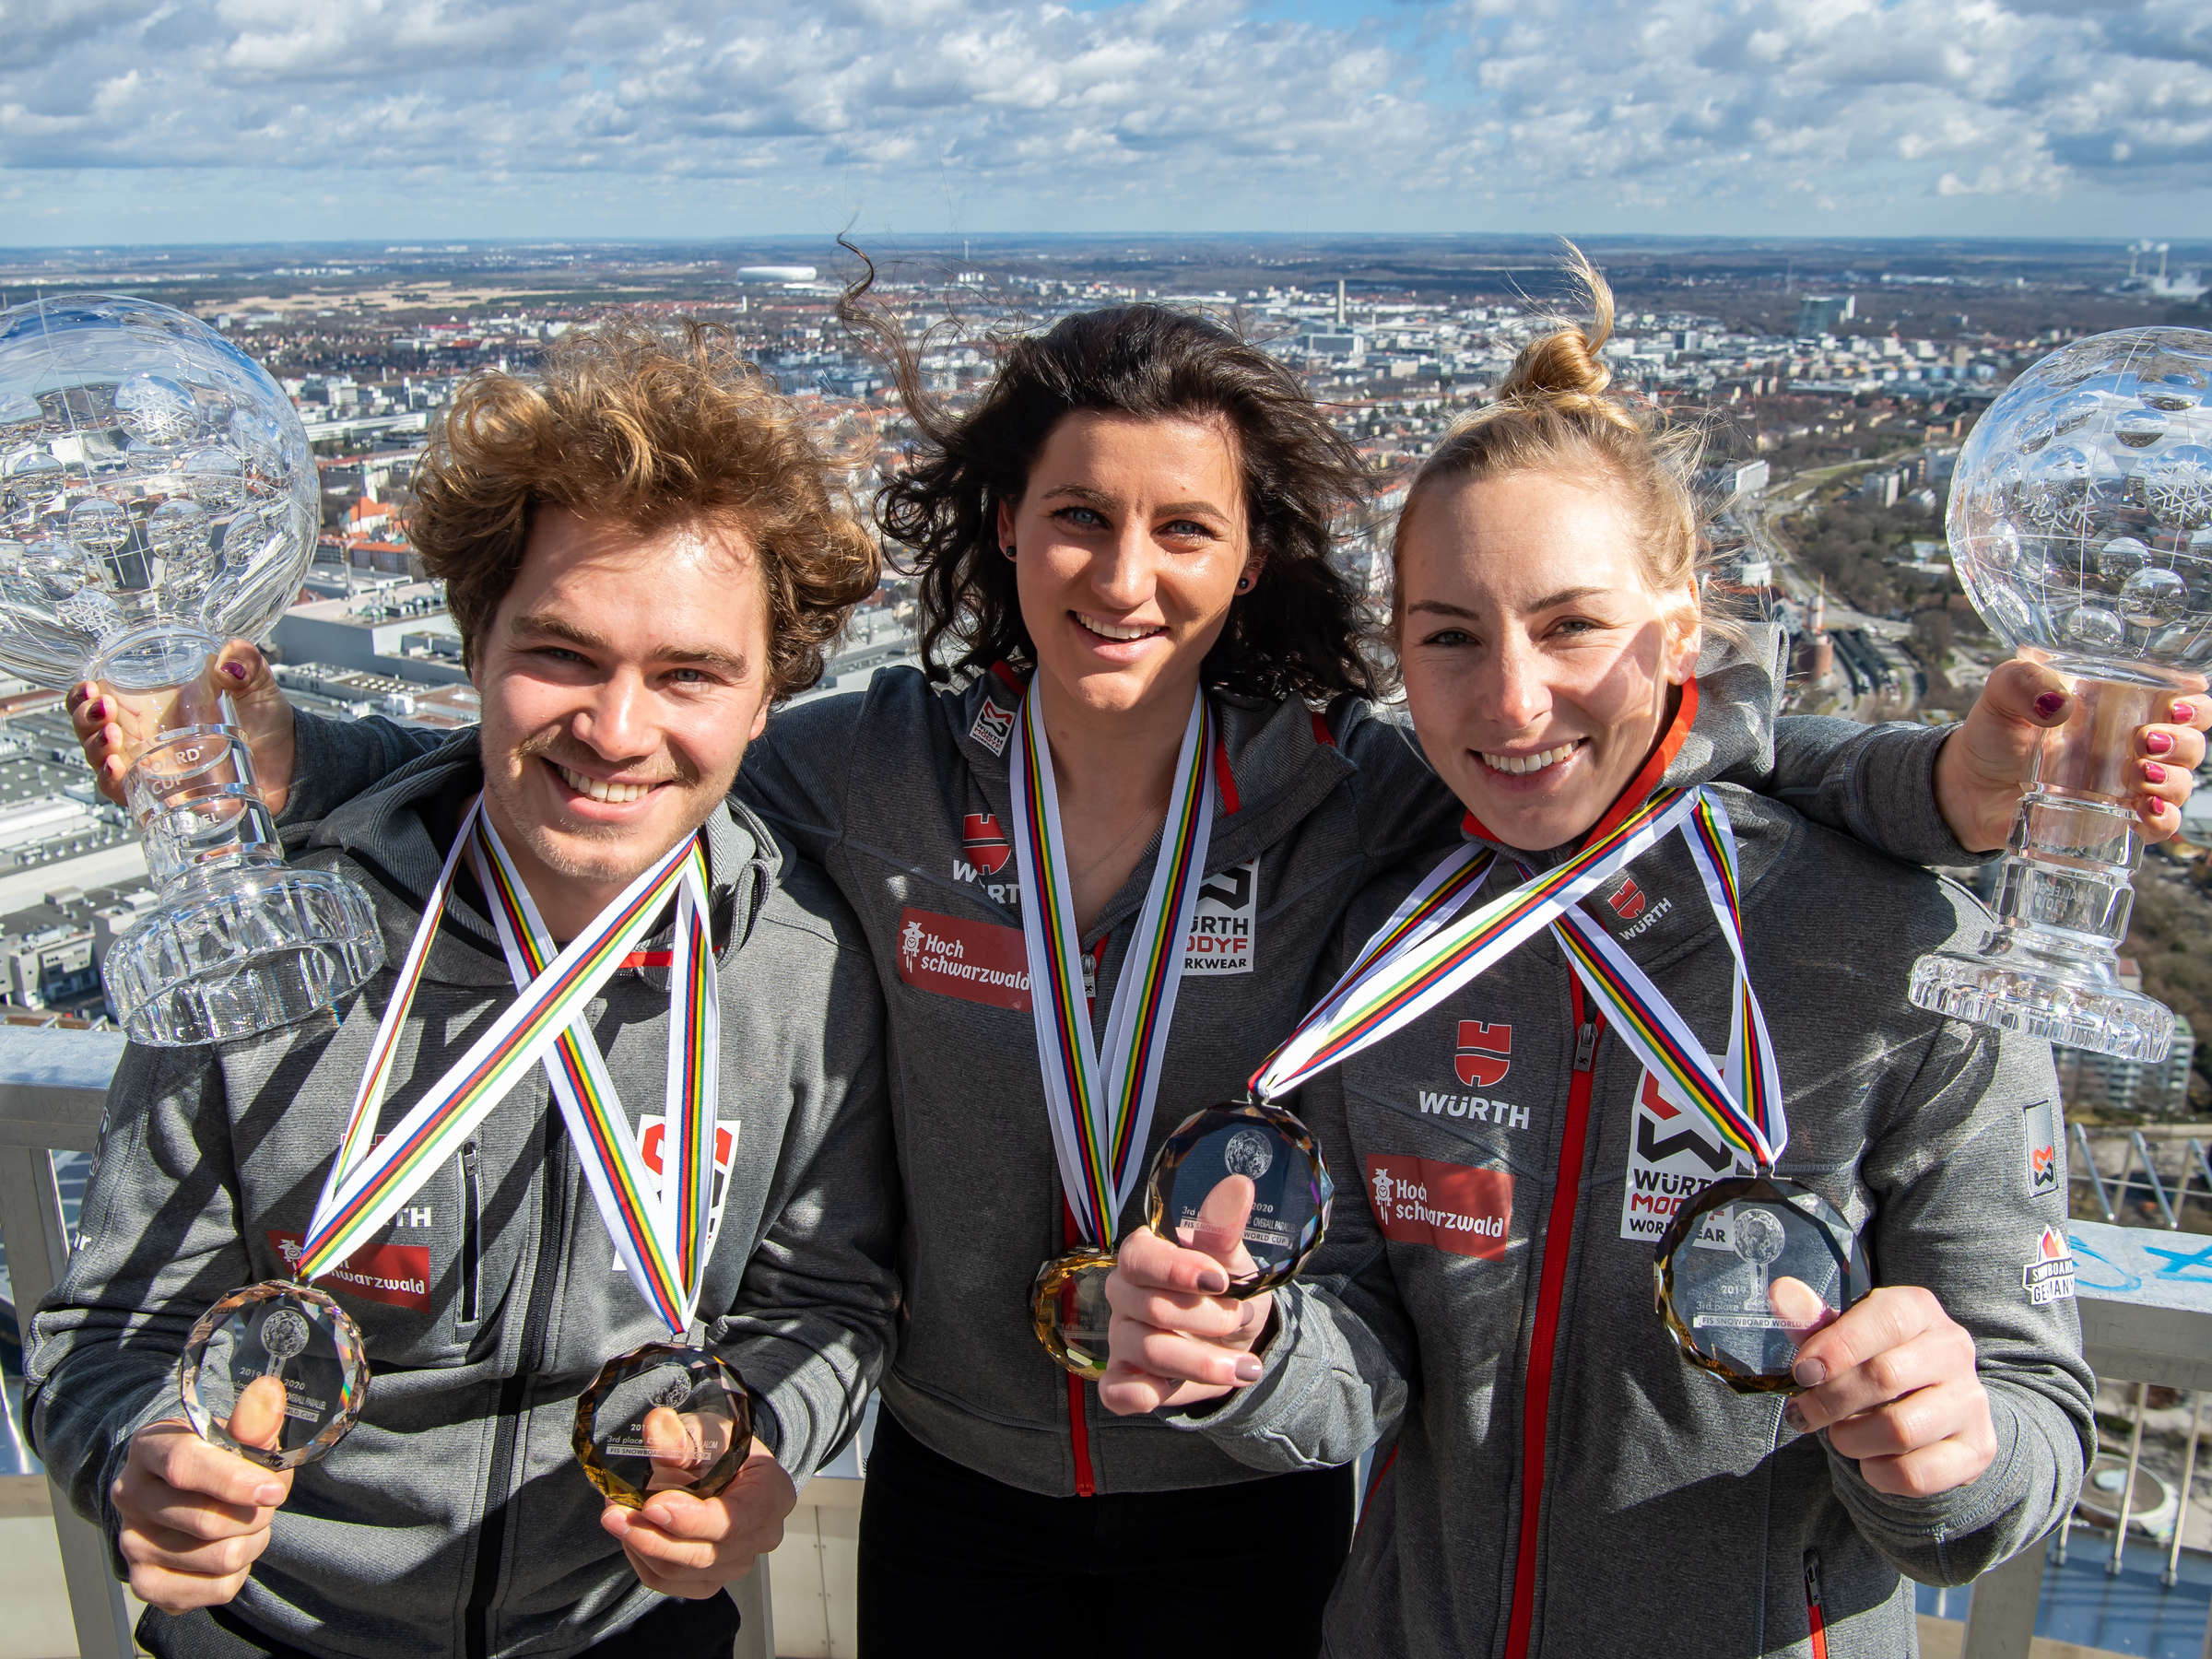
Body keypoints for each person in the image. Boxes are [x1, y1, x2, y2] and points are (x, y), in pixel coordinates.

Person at [71, 279, 2202, 1656]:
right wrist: (285, 743)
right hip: (961, 1478)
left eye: (1182, 528)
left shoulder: (1364, 803)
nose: (1123, 570)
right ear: (999, 527)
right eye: (1075, 516)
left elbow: (1642, 754)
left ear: (1250, 551)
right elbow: (609, 748)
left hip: (1250, 1504)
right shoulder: (866, 778)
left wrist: (1944, 784)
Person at [1099, 256, 2116, 1657]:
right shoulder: (1389, 933)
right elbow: (1367, 1352)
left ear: (1682, 627)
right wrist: (1252, 1353)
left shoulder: (1906, 949)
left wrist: (1954, 1449)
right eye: (1449, 637)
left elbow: (2035, 1430)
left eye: (1573, 624)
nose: (1514, 701)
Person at [29, 319, 900, 1659]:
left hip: (623, 1632)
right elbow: (108, 1329)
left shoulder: (800, 970)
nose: (616, 730)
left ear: (768, 695)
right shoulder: (280, 944)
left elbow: (823, 1303)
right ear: (474, 645)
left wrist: (760, 1435)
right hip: (276, 1635)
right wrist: (141, 1457)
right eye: (562, 653)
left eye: (690, 675)